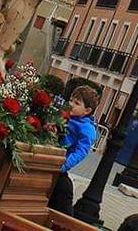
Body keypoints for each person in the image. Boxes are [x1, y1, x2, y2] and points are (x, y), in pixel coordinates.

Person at [48, 85, 99, 215]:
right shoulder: (65, 116)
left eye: (76, 103)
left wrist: (64, 165)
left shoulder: (86, 128)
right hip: (50, 155)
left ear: (87, 110)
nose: (71, 105)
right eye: (70, 100)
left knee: (62, 196)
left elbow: (81, 151)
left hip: (60, 164)